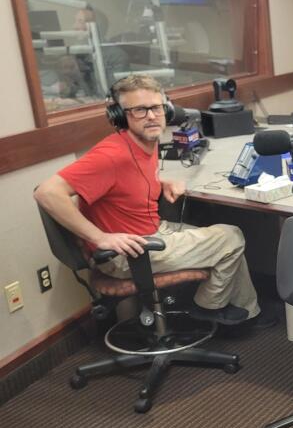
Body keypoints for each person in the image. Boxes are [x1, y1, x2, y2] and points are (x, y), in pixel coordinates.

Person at [34, 74, 269, 327]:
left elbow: (124, 185)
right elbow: (46, 192)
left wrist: (161, 183)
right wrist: (100, 238)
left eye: (156, 108)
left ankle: (247, 313)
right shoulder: (111, 155)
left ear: (166, 109)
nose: (151, 116)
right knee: (231, 236)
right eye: (139, 110)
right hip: (127, 253)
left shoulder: (147, 141)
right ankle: (208, 309)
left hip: (150, 232)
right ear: (121, 116)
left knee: (225, 243)